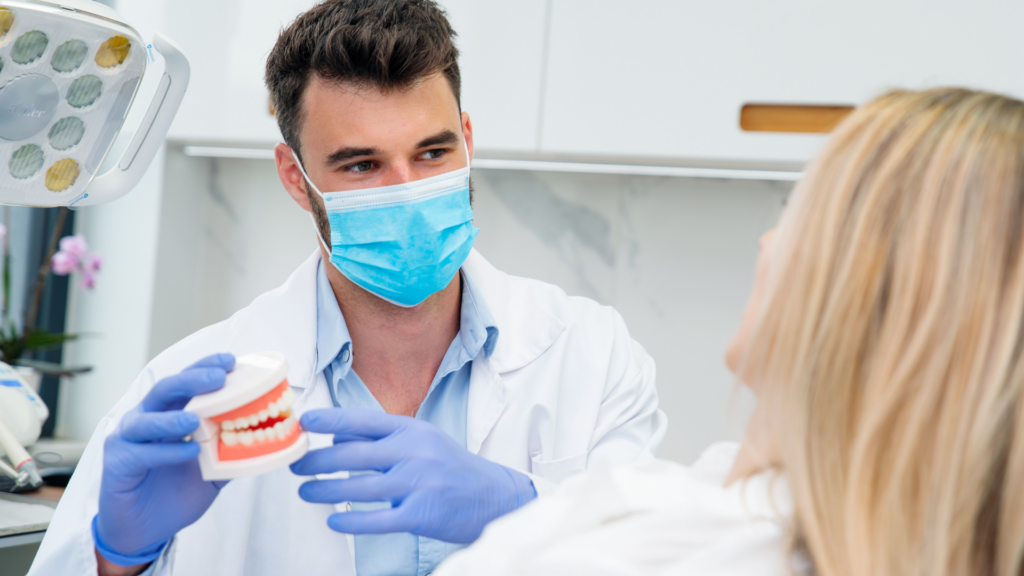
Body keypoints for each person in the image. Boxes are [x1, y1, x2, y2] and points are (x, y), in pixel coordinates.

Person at [28, 2, 666, 575]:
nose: (405, 188)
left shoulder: (590, 355)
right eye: (362, 164)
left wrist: (527, 506)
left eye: (433, 154)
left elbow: (664, 556)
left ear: (467, 142)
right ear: (296, 177)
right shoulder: (189, 389)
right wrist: (116, 557)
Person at [434, 87, 1024, 576]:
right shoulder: (734, 499)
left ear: (874, 298)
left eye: (802, 212)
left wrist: (519, 504)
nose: (767, 243)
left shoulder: (728, 554)